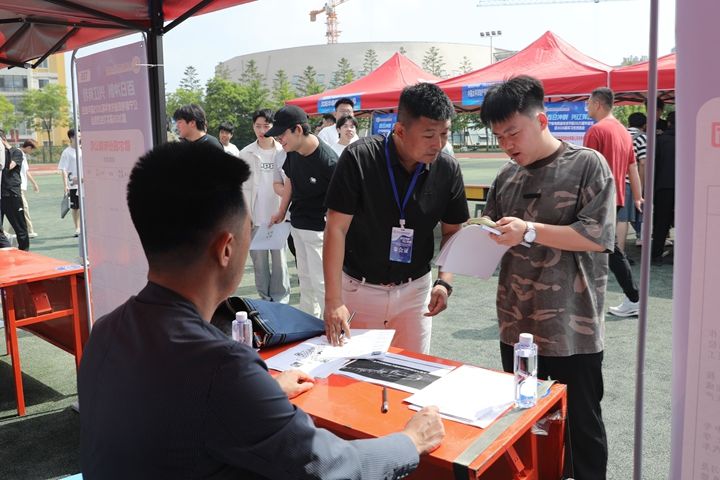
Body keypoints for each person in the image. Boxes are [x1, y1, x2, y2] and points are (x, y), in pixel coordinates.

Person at [78, 141, 444, 479]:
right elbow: (326, 466)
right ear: (226, 249)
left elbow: (176, 411)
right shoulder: (222, 367)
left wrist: (263, 395)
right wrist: (409, 442)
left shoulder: (106, 331)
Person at [480, 75, 615, 480]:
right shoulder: (507, 177)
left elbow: (597, 236)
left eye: (513, 133)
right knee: (527, 427)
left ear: (541, 121)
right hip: (516, 326)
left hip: (573, 328)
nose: (507, 144)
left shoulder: (586, 163)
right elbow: (489, 233)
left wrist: (529, 230)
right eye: (498, 137)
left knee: (581, 429)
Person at [323, 82, 469, 354]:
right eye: (429, 135)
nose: (438, 144)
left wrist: (444, 281)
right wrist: (333, 300)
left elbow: (452, 231)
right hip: (359, 290)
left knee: (411, 370)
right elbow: (336, 228)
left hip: (415, 292)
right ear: (400, 130)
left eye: (444, 134)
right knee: (353, 370)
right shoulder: (359, 158)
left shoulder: (447, 169)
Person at [268, 105, 338, 317]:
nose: (279, 140)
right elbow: (290, 179)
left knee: (321, 283)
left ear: (298, 129)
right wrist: (282, 210)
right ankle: (309, 322)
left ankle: (331, 327)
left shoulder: (329, 161)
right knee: (305, 281)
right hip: (297, 225)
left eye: (282, 135)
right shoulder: (292, 152)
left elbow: (341, 203)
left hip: (319, 231)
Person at [584, 87, 643, 318]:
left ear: (598, 104)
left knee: (608, 249)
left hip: (597, 199)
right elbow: (632, 167)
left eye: (589, 103)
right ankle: (632, 298)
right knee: (604, 248)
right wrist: (637, 197)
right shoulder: (623, 132)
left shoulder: (596, 131)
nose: (587, 107)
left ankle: (634, 298)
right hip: (615, 198)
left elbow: (586, 170)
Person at [239, 109, 291, 303]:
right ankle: (264, 299)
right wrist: (245, 216)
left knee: (280, 262)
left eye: (266, 126)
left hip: (279, 216)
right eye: (258, 126)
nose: (262, 130)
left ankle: (280, 300)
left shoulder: (283, 152)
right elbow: (240, 187)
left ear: (273, 126)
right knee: (259, 263)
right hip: (255, 217)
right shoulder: (246, 153)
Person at [651, 110, 676, 265]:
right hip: (686, 188)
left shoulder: (660, 140)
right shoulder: (691, 139)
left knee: (661, 221)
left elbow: (654, 164)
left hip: (663, 186)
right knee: (684, 221)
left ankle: (656, 255)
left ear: (669, 123)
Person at [620, 112, 647, 249]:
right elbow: (642, 163)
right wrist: (640, 186)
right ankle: (620, 252)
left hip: (613, 179)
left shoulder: (619, 134)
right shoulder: (642, 138)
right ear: (644, 125)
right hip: (629, 181)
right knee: (624, 218)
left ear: (629, 122)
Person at [1, 129, 29, 250]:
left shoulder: (16, 152)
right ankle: (6, 247)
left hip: (11, 194)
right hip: (0, 194)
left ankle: (24, 251)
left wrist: (4, 149)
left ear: (3, 140)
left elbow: (9, 166)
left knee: (20, 227)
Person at [58, 129, 82, 236]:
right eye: (78, 136)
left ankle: (84, 227)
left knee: (84, 206)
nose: (80, 138)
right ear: (72, 138)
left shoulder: (82, 149)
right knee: (75, 207)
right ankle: (77, 228)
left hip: (84, 182)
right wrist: (65, 185)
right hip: (73, 184)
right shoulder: (67, 152)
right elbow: (63, 170)